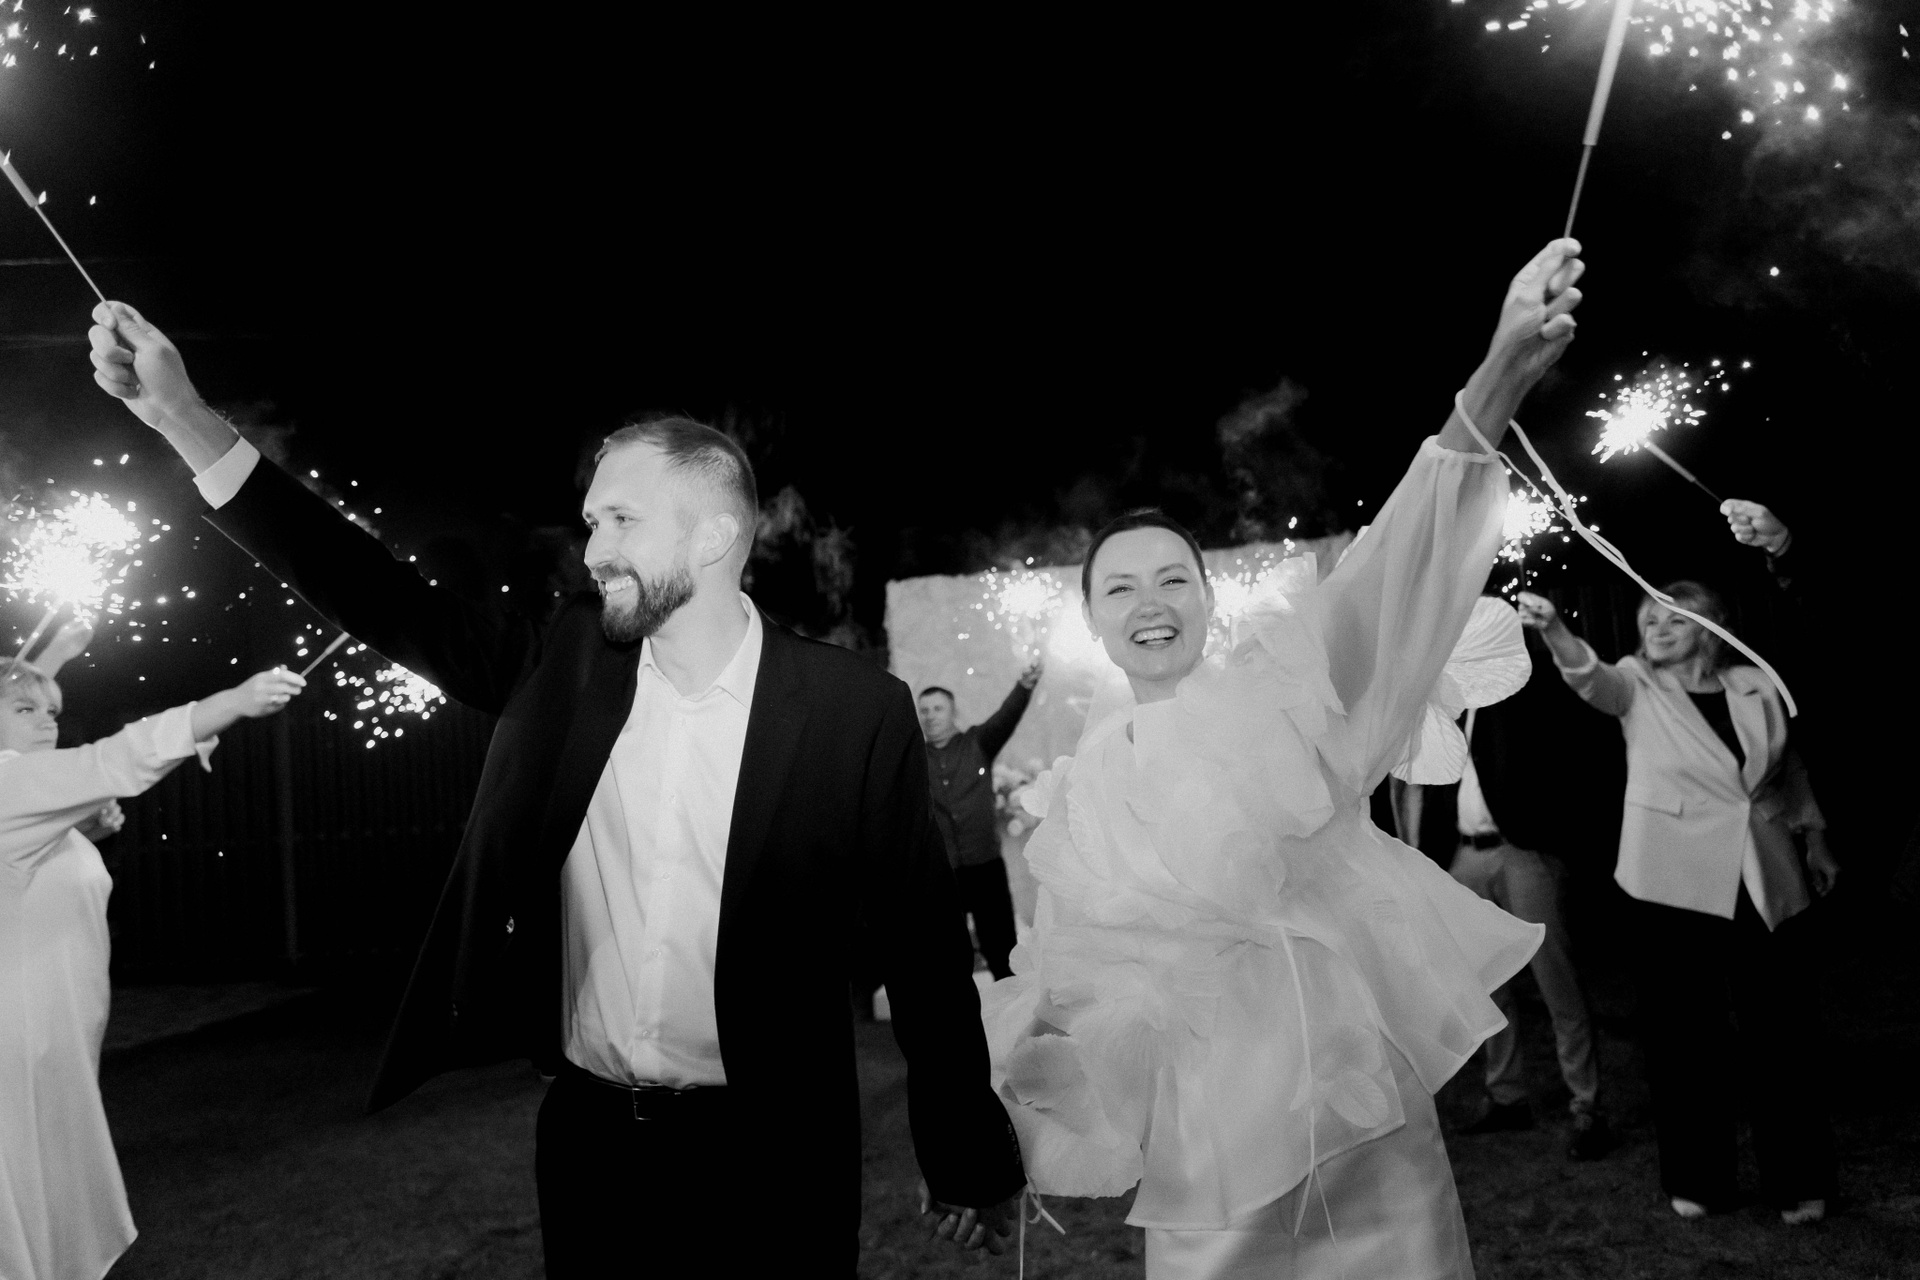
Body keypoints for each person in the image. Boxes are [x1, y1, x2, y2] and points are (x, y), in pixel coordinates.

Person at [86, 303, 1026, 1274]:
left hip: (777, 1157)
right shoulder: (563, 665)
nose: (593, 549)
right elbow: (375, 591)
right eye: (591, 522)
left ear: (714, 536)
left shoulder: (852, 709)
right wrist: (185, 418)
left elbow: (923, 946)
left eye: (622, 520)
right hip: (590, 1148)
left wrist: (966, 1153)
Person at [982, 238, 1584, 1280]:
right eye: (1119, 587)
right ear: (1094, 621)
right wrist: (988, 1134)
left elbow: (1397, 563)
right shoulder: (1080, 789)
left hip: (1357, 1137)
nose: (1149, 602)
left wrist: (1496, 377)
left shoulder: (1295, 698)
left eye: (1172, 578)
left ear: (1208, 598)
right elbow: (1064, 981)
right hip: (1206, 1163)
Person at [1518, 584, 1838, 1225]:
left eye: (1673, 619)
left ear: (1709, 626)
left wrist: (1816, 838)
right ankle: (1700, 1179)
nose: (1657, 629)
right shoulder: (1635, 682)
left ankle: (1798, 1180)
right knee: (1685, 1034)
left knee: (1781, 1031)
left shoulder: (1755, 683)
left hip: (1761, 872)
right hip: (1671, 880)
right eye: (1649, 620)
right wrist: (1554, 630)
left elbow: (1789, 768)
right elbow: (1589, 678)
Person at [1, 630, 303, 1280]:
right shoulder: (8, 784)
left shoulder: (30, 792)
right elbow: (115, 760)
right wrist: (229, 704)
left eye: (53, 710)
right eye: (27, 710)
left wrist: (79, 826)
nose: (48, 721)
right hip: (13, 1054)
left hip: (54, 1046)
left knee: (46, 1214)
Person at [1449, 624, 1611, 1160]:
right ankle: (1507, 1095)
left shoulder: (1526, 691)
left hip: (1524, 853)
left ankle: (1586, 1105)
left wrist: (1556, 843)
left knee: (1555, 978)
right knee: (1486, 983)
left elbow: (1572, 762)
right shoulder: (1448, 699)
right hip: (1465, 855)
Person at [917, 662, 1041, 981]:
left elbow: (1005, 718)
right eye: (924, 710)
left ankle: (1012, 1010)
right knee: (947, 960)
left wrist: (1024, 687)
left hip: (986, 868)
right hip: (943, 874)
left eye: (938, 708)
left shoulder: (977, 742)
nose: (930, 716)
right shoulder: (915, 758)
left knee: (1002, 953)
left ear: (953, 712)